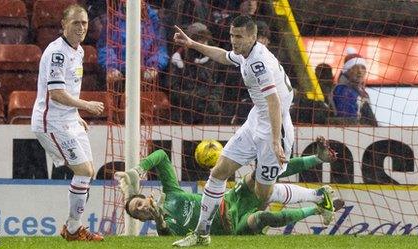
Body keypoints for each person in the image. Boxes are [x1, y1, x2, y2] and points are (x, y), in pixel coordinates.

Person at [172, 15, 320, 246]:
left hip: (275, 127)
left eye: (238, 36)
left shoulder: (258, 63)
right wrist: (192, 44)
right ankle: (201, 233)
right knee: (219, 172)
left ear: (252, 37)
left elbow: (274, 102)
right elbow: (223, 55)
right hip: (256, 122)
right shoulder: (247, 53)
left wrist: (274, 141)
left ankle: (318, 196)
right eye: (232, 35)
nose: (233, 40)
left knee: (264, 194)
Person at [115, 136, 341, 236]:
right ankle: (317, 208)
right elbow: (166, 234)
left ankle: (318, 159)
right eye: (138, 212)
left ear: (145, 197)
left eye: (139, 203)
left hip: (232, 200)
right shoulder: (166, 227)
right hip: (233, 226)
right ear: (142, 221)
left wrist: (138, 169)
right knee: (261, 218)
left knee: (261, 173)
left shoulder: (172, 194)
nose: (141, 208)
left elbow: (162, 156)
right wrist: (159, 221)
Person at [30, 4, 105, 241]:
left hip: (69, 119)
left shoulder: (79, 50)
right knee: (83, 171)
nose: (81, 28)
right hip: (51, 122)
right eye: (75, 23)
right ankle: (73, 230)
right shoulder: (57, 53)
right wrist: (86, 106)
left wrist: (76, 115)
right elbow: (57, 94)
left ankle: (74, 227)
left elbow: (68, 88)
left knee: (88, 172)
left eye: (84, 23)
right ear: (63, 24)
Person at [97, 0, 168, 90]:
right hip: (120, 74)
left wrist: (154, 66)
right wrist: (112, 67)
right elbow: (105, 46)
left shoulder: (154, 19)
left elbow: (160, 48)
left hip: (147, 74)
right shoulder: (112, 19)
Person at [167, 22, 224, 124]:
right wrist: (194, 97)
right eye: (197, 38)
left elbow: (220, 86)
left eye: (203, 38)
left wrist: (210, 99)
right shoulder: (177, 60)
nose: (200, 42)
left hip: (209, 109)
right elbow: (173, 89)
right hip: (185, 110)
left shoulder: (215, 61)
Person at [331, 48, 377, 126]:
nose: (360, 71)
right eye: (355, 67)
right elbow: (349, 121)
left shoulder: (360, 91)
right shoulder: (343, 90)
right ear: (347, 71)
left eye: (363, 68)